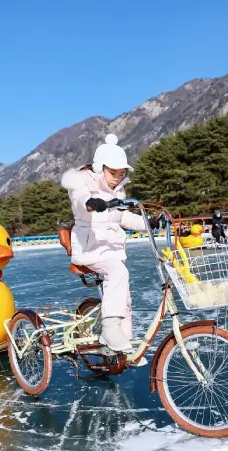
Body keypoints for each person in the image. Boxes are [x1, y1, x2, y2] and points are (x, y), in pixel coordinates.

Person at [61, 134, 155, 355]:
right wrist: (91, 202)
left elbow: (123, 218)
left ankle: (124, 347)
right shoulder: (83, 182)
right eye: (113, 173)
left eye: (121, 174)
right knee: (118, 272)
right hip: (89, 249)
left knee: (125, 297)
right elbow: (79, 199)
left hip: (112, 251)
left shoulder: (118, 191)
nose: (116, 178)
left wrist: (148, 223)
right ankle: (110, 328)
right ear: (99, 167)